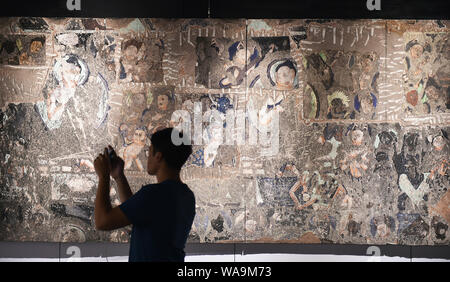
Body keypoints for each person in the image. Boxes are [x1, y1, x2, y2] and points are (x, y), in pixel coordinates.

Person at [93, 127, 195, 262]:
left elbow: (102, 222)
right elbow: (135, 211)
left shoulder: (154, 194)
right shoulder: (186, 195)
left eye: (149, 152)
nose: (147, 156)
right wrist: (119, 176)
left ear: (158, 156)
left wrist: (104, 176)